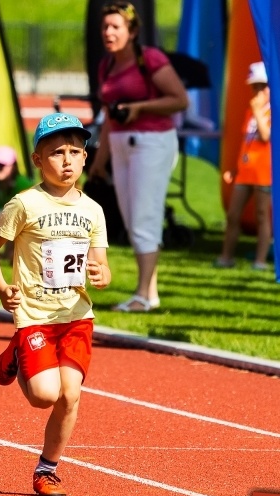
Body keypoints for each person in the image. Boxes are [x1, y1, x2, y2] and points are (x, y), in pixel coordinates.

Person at [0, 112, 110, 496]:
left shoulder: (93, 211)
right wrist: (2, 287)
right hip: (33, 315)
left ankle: (47, 469)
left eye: (74, 151)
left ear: (85, 157)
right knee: (43, 396)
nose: (66, 160)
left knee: (70, 394)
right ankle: (17, 351)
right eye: (56, 153)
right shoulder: (24, 204)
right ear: (37, 160)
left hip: (76, 317)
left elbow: (101, 264)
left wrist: (102, 275)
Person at [87, 1, 188, 312]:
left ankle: (143, 294)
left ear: (131, 31)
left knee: (144, 217)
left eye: (115, 26)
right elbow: (108, 117)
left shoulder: (150, 59)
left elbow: (179, 100)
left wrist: (139, 108)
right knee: (132, 219)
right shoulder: (106, 65)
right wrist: (98, 163)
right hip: (119, 143)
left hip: (152, 143)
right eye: (105, 27)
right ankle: (149, 292)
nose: (108, 32)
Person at [214, 62, 271, 270]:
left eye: (262, 86)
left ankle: (260, 260)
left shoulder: (272, 112)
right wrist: (236, 168)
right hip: (246, 172)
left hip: (264, 173)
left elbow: (266, 137)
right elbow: (246, 143)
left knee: (262, 215)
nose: (257, 92)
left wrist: (258, 112)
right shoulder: (250, 112)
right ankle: (226, 256)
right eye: (254, 87)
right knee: (233, 214)